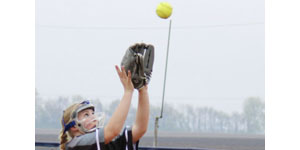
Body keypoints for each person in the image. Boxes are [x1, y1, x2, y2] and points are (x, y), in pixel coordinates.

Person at [59, 65, 150, 150]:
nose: (93, 117)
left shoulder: (102, 142)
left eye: (92, 113)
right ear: (74, 126)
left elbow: (139, 129)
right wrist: (128, 91)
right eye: (86, 115)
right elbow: (113, 130)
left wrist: (142, 90)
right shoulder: (75, 144)